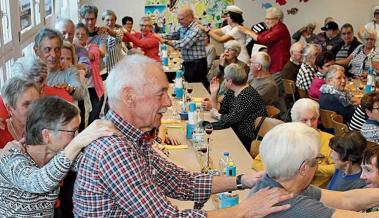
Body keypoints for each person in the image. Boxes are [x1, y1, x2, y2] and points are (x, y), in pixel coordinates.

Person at [73, 55, 292, 217]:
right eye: (161, 93)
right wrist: (244, 209)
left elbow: (180, 181)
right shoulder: (114, 149)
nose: (168, 102)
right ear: (129, 97)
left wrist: (241, 180)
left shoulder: (130, 138)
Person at [0, 96, 116, 217]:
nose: (76, 136)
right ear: (46, 135)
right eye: (73, 131)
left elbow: (94, 166)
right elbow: (38, 182)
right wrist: (77, 143)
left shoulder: (58, 153)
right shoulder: (11, 158)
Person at [250, 122, 379, 217]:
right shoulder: (299, 207)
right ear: (304, 168)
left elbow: (346, 199)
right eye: (317, 159)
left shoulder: (277, 183)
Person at [253, 98, 334, 187]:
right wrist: (280, 174)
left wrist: (313, 169)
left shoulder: (329, 140)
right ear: (294, 121)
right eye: (304, 120)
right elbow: (257, 162)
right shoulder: (284, 136)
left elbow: (338, 168)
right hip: (283, 188)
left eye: (313, 119)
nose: (310, 125)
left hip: (315, 191)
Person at [208, 63, 267, 151]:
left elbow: (231, 119)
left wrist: (217, 115)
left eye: (225, 79)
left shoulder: (247, 94)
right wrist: (214, 93)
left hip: (246, 138)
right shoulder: (233, 90)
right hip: (234, 131)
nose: (224, 81)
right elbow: (222, 109)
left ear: (230, 82)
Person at [238, 7, 291, 89]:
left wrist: (246, 31)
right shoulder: (273, 28)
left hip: (279, 66)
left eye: (269, 19)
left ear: (278, 19)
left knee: (274, 89)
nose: (266, 21)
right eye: (266, 18)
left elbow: (263, 39)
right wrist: (246, 29)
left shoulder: (280, 29)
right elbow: (261, 35)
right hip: (274, 64)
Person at [157, 7, 208, 87]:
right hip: (188, 63)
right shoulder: (184, 27)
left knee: (196, 88)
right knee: (188, 85)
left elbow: (184, 44)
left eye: (181, 19)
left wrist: (164, 41)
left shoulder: (196, 29)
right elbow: (174, 35)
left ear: (190, 18)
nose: (178, 22)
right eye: (178, 19)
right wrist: (158, 36)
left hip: (196, 64)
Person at [33, 28, 85, 102]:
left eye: (57, 49)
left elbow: (80, 93)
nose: (53, 55)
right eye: (47, 50)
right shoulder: (31, 72)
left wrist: (70, 88)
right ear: (37, 51)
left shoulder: (69, 71)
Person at [75, 23, 104, 125]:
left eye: (83, 34)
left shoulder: (93, 47)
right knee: (81, 122)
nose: (80, 36)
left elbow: (91, 57)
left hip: (94, 91)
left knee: (93, 121)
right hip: (80, 91)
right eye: (77, 34)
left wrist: (77, 47)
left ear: (87, 36)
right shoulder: (71, 51)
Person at [0, 77, 40, 148]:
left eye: (37, 103)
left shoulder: (45, 128)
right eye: (27, 104)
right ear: (9, 109)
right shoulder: (2, 132)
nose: (35, 109)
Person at [79, 4, 107, 78]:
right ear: (81, 18)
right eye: (87, 19)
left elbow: (102, 53)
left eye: (92, 19)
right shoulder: (76, 33)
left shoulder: (101, 33)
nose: (90, 22)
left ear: (96, 18)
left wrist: (91, 48)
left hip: (100, 71)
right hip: (83, 71)